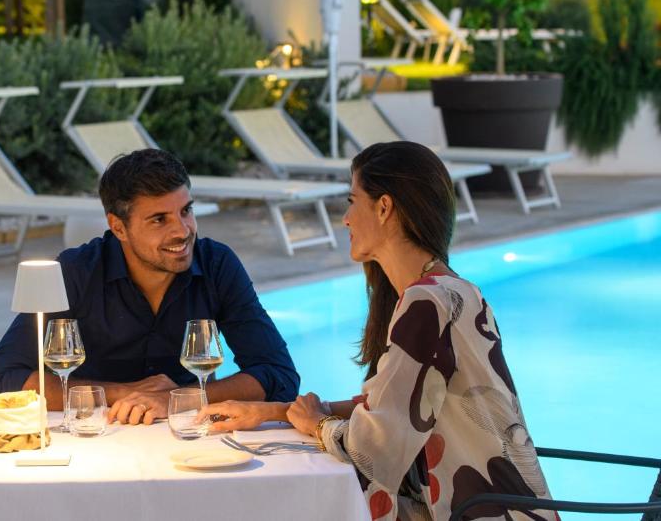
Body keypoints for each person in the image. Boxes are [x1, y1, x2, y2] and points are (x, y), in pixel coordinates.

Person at [200, 141, 553, 521]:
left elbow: (376, 450)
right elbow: (392, 407)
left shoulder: (427, 303)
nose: (346, 219)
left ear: (384, 207)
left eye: (352, 201)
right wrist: (279, 412)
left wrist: (317, 423)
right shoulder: (449, 291)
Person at [0, 148, 299, 425]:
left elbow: (278, 374)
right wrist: (123, 393)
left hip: (188, 436)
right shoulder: (76, 271)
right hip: (96, 439)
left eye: (186, 211)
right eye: (159, 219)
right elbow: (3, 381)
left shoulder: (217, 265)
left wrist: (178, 398)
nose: (183, 231)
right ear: (118, 227)